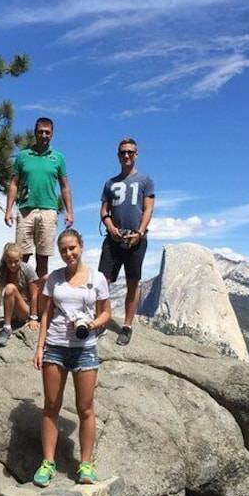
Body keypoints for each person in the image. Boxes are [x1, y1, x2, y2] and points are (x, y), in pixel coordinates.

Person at [32, 229, 111, 487]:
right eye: (64, 249)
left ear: (81, 246)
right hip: (55, 345)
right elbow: (45, 313)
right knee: (51, 405)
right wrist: (40, 346)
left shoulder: (97, 278)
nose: (68, 254)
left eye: (72, 248)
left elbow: (106, 314)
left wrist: (91, 324)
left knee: (85, 407)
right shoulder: (54, 279)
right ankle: (48, 462)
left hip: (84, 347)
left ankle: (85, 464)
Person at [98, 138, 155, 346]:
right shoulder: (110, 183)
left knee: (133, 282)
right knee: (103, 281)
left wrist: (139, 233)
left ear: (136, 154)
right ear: (118, 155)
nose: (127, 155)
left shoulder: (145, 180)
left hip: (136, 239)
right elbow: (104, 210)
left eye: (130, 152)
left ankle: (127, 326)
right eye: (123, 152)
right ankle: (103, 320)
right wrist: (110, 227)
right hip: (113, 239)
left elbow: (148, 208)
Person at [4, 117, 74, 279]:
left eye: (47, 132)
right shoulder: (23, 156)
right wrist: (8, 210)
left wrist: (69, 212)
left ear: (52, 134)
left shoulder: (58, 158)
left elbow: (65, 186)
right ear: (35, 133)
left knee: (42, 258)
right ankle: (20, 296)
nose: (43, 135)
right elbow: (14, 184)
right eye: (40, 132)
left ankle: (40, 300)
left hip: (48, 210)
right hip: (26, 210)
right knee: (22, 258)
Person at [0, 242, 40, 347]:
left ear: (21, 259)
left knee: (10, 288)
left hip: (27, 310)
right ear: (5, 260)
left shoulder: (27, 270)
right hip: (16, 311)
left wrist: (33, 318)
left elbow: (34, 294)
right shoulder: (4, 271)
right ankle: (7, 326)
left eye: (16, 261)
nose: (13, 265)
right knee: (10, 289)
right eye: (10, 261)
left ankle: (7, 328)